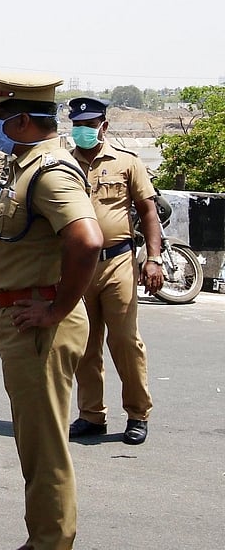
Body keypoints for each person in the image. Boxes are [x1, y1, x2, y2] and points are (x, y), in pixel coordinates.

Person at [0, 73, 103, 550]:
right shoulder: (27, 166)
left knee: (46, 447)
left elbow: (87, 241)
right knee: (32, 443)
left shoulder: (49, 173)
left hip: (39, 326)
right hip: (20, 319)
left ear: (23, 120)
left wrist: (57, 308)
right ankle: (38, 544)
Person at [67, 97, 161, 445]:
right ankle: (91, 415)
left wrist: (153, 259)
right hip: (77, 265)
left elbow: (148, 212)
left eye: (89, 125)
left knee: (124, 341)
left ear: (103, 127)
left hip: (117, 262)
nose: (83, 131)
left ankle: (137, 413)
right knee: (84, 343)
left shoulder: (127, 162)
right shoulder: (63, 164)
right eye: (78, 125)